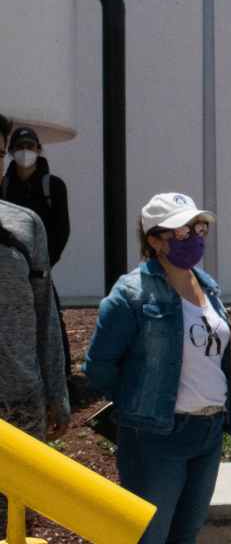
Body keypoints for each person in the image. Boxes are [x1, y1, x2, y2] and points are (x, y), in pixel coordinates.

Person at [84, 192, 231, 544]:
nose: (195, 237)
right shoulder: (130, 294)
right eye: (181, 232)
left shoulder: (208, 286)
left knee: (186, 534)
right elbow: (99, 367)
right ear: (154, 240)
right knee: (149, 537)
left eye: (198, 228)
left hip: (209, 431)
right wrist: (139, 402)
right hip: (156, 437)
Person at [0, 196, 70, 534]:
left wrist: (57, 393)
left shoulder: (25, 223)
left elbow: (45, 314)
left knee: (17, 526)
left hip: (20, 407)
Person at [1, 126, 72, 376]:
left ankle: (62, 377)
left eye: (30, 147)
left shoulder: (53, 187)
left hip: (41, 268)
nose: (24, 152)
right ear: (10, 152)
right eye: (19, 147)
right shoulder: (4, 185)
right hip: (9, 268)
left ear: (39, 150)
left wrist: (44, 265)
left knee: (50, 319)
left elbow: (61, 230)